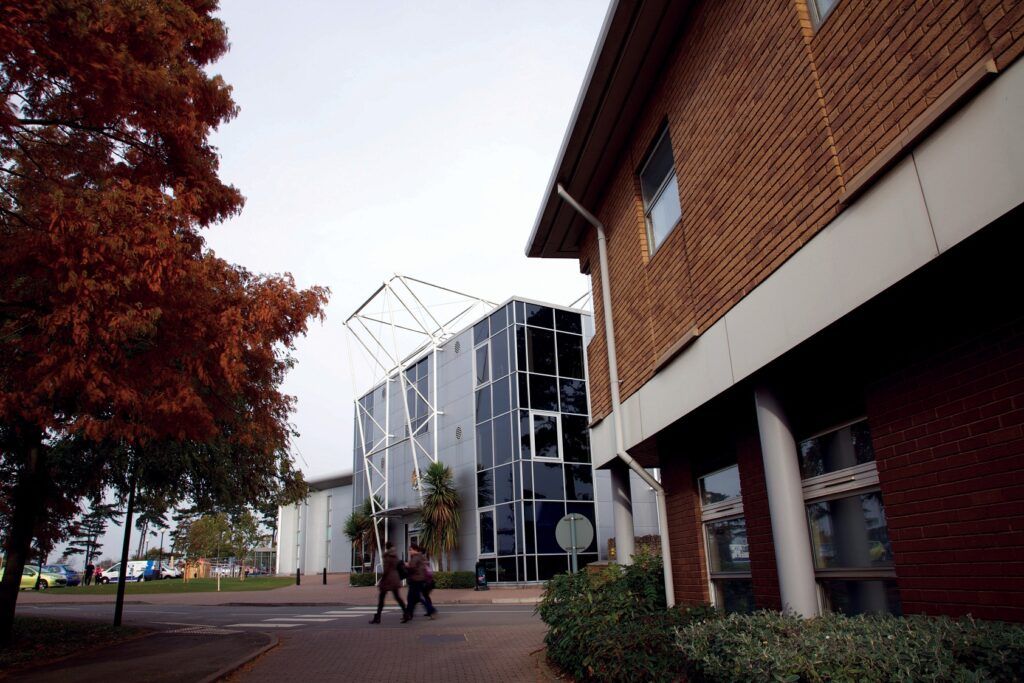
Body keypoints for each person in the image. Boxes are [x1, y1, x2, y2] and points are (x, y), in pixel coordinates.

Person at [370, 541, 407, 624]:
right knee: (397, 597)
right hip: (395, 578)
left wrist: (382, 579)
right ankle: (406, 613)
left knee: (381, 599)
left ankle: (378, 617)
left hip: (388, 579)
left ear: (386, 548)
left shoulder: (387, 556)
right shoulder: (395, 556)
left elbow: (386, 570)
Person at [404, 543, 436, 621]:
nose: (409, 551)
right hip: (420, 579)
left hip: (416, 580)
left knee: (416, 598)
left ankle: (431, 610)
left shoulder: (416, 557)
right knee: (414, 598)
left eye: (410, 550)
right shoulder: (421, 557)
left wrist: (406, 565)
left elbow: (412, 567)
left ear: (415, 550)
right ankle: (409, 614)